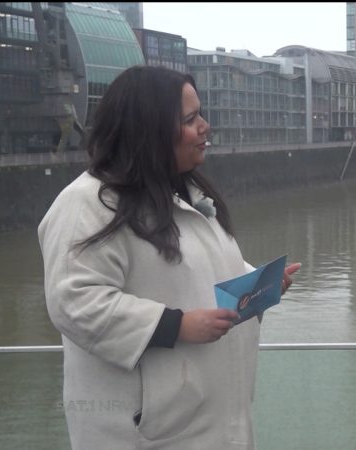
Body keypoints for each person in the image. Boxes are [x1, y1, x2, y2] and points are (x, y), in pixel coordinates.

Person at [38, 65, 301, 449]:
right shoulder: (87, 204)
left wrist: (257, 285)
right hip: (147, 434)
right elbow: (73, 301)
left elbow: (196, 272)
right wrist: (175, 325)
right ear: (148, 129)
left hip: (212, 425)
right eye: (191, 119)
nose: (205, 126)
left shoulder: (186, 195)